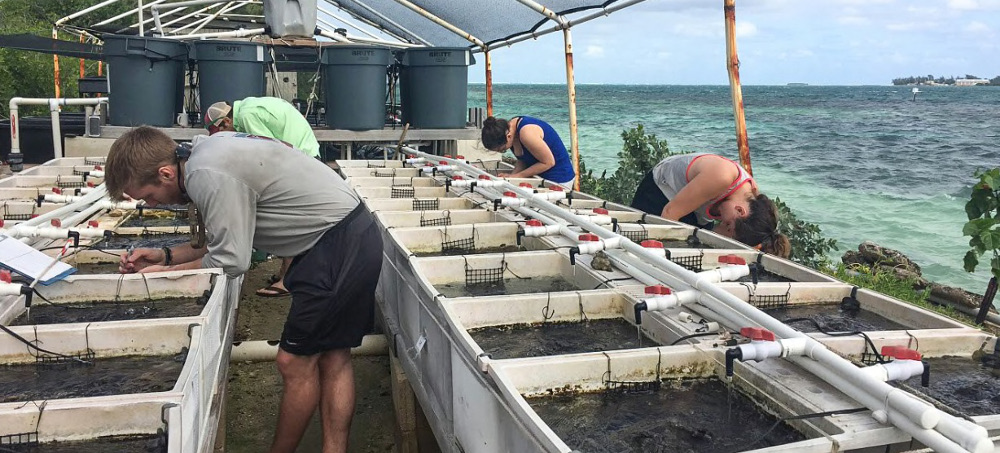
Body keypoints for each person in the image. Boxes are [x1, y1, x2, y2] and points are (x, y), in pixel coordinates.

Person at [105, 126, 382, 453]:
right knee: (333, 354)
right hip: (344, 235)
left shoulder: (205, 174)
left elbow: (232, 260)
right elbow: (225, 240)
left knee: (293, 362)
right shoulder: (204, 153)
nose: (152, 203)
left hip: (336, 245)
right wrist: (164, 255)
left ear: (165, 174)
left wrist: (165, 274)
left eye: (149, 196)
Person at [204, 97, 320, 298]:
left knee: (288, 221)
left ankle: (289, 281)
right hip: (299, 156)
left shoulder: (248, 116)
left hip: (301, 159)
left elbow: (267, 152)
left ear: (225, 123)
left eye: (222, 134)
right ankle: (286, 273)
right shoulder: (247, 108)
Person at [630, 152, 790, 257]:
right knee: (644, 246)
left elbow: (717, 235)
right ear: (740, 210)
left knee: (701, 251)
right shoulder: (721, 177)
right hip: (662, 193)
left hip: (696, 212)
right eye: (728, 224)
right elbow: (669, 213)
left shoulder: (751, 196)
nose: (724, 224)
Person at [480, 115, 576, 186]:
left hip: (559, 178)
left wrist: (518, 176)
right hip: (538, 176)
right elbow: (523, 159)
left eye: (503, 149)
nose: (503, 151)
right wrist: (511, 177)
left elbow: (548, 162)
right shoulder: (511, 129)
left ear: (508, 136)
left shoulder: (527, 134)